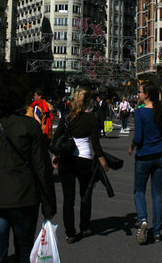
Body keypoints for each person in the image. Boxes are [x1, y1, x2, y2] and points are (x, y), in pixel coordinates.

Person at [0, 73, 56, 262]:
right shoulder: (29, 126)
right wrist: (49, 205)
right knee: (25, 251)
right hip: (24, 198)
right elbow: (42, 168)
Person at [51, 86, 108, 243]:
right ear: (88, 102)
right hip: (85, 160)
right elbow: (96, 145)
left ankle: (70, 232)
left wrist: (55, 155)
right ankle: (85, 227)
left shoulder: (66, 117)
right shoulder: (92, 119)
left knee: (68, 198)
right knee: (85, 195)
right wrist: (104, 163)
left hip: (66, 159)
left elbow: (56, 138)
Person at [129, 81, 162, 244]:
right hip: (161, 155)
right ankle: (158, 231)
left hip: (144, 156)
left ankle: (143, 220)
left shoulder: (140, 113)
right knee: (157, 194)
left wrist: (133, 145)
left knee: (139, 191)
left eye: (140, 92)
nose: (138, 95)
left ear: (146, 94)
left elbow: (138, 137)